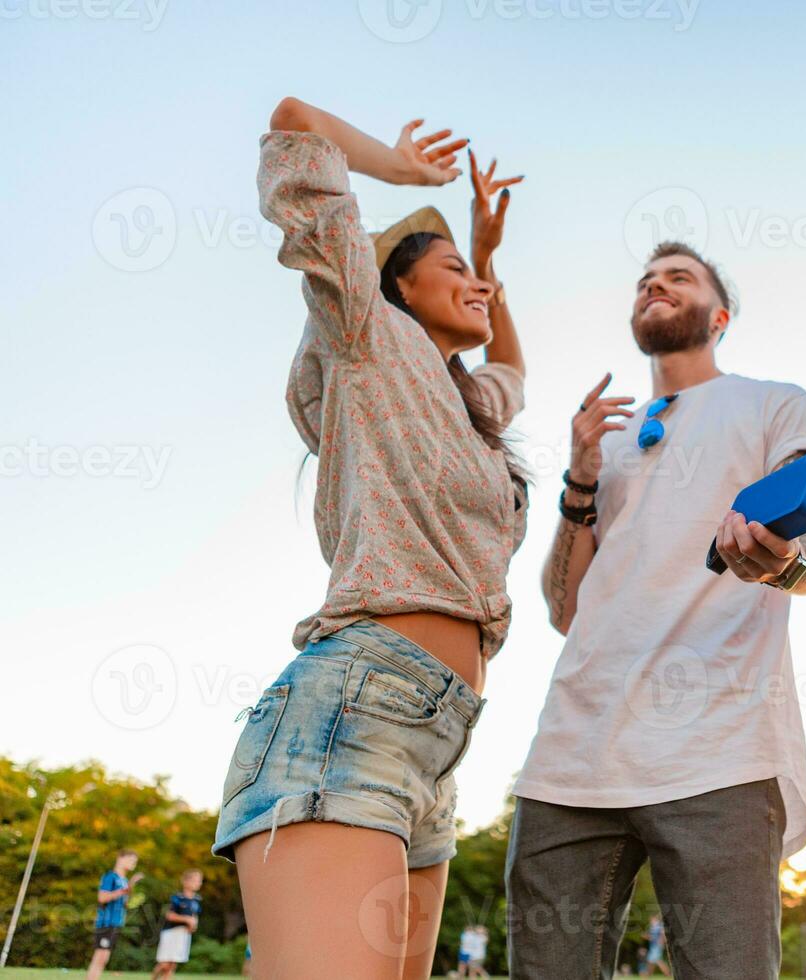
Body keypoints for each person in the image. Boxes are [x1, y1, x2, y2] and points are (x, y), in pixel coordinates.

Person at [210, 97, 529, 980]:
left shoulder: (470, 411)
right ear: (398, 285)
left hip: (438, 746)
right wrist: (399, 169)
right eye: (458, 269)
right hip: (352, 716)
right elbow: (292, 121)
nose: (483, 288)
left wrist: (488, 251)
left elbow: (513, 371)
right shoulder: (365, 334)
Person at [505, 241, 806, 977]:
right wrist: (580, 480)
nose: (655, 285)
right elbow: (565, 608)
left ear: (718, 315)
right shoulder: (611, 438)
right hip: (573, 752)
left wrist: (787, 568)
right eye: (645, 281)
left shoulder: (770, 402)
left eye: (678, 278)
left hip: (716, 748)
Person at [86, 848, 143, 980]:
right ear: (120, 858)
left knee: (104, 958)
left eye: (135, 862)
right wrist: (125, 890)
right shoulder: (110, 877)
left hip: (115, 923)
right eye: (130, 860)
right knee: (99, 957)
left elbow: (124, 903)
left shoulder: (123, 880)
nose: (133, 864)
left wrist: (130, 890)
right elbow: (102, 898)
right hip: (105, 922)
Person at [151, 868, 203, 979]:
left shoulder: (197, 900)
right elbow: (170, 915)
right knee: (164, 964)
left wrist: (193, 925)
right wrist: (186, 920)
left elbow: (194, 916)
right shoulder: (177, 898)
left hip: (184, 934)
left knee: (173, 964)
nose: (198, 883)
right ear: (186, 882)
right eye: (195, 880)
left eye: (199, 881)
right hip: (171, 932)